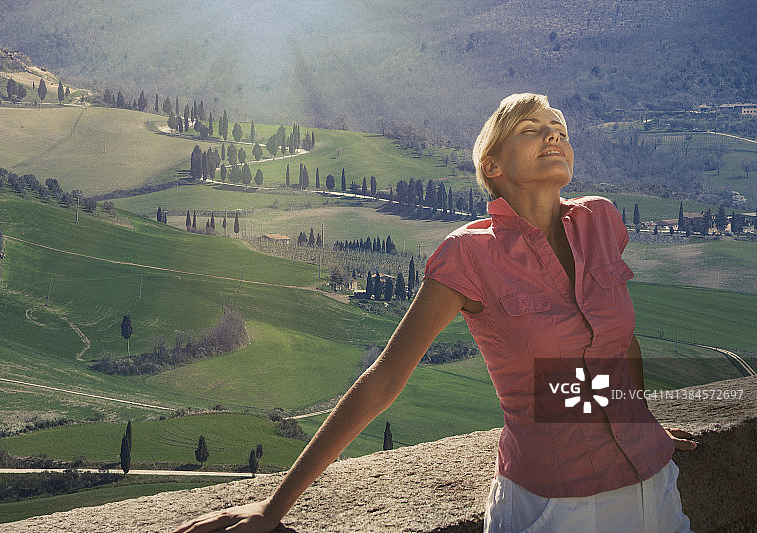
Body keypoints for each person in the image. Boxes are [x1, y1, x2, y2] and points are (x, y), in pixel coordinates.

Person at [173, 93, 695, 533]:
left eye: (558, 127)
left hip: (655, 484)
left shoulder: (600, 220)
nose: (553, 135)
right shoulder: (468, 256)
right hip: (557, 506)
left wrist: (639, 422)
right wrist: (274, 507)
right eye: (530, 129)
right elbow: (383, 380)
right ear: (492, 166)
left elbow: (619, 343)